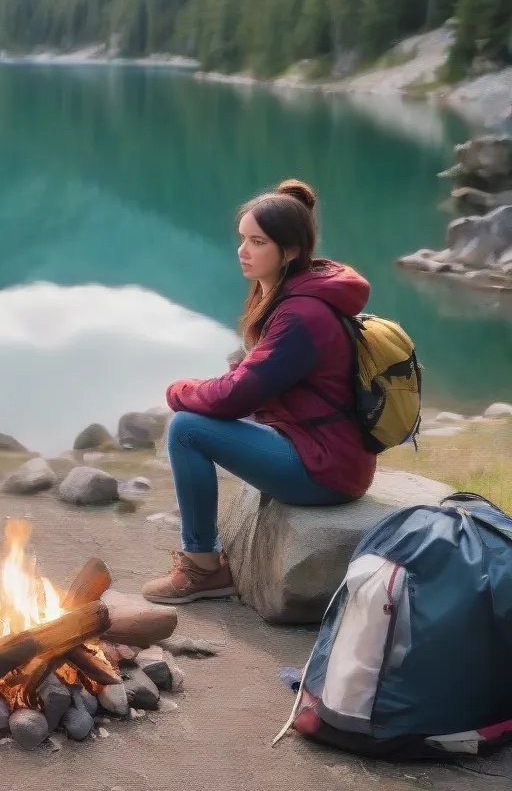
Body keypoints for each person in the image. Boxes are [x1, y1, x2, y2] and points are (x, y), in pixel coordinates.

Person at [142, 179, 375, 606]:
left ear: (288, 252)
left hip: (325, 468)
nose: (242, 251)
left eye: (257, 242)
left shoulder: (302, 314)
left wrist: (181, 390)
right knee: (200, 417)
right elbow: (259, 377)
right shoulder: (298, 292)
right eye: (242, 239)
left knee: (187, 428)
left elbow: (237, 397)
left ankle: (203, 568)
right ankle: (205, 560)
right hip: (320, 446)